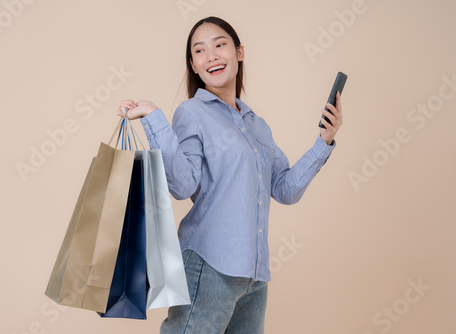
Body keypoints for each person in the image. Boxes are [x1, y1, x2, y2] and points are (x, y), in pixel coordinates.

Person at [117, 16, 343, 334]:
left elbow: (285, 190)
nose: (211, 56)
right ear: (193, 66)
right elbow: (182, 185)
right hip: (209, 266)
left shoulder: (256, 124)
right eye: (200, 51)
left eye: (220, 45)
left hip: (254, 276)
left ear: (239, 52)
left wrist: (324, 142)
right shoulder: (192, 113)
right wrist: (155, 118)